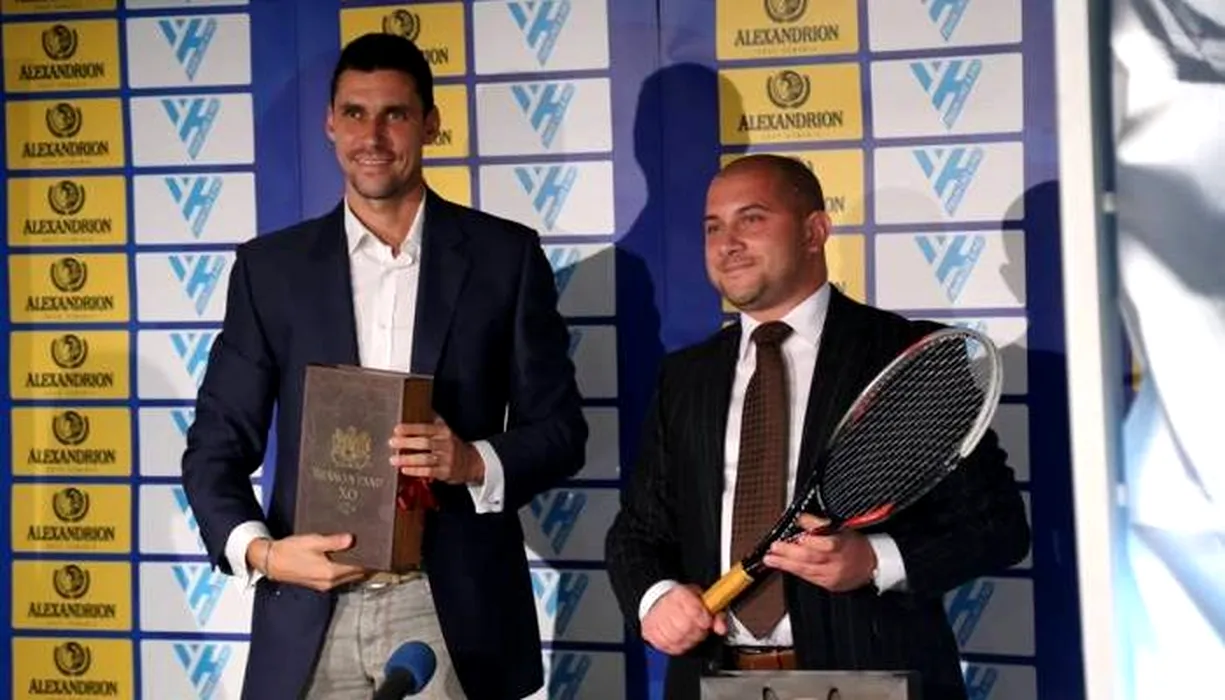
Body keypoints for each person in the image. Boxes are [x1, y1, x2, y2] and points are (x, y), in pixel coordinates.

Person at [181, 32, 587, 700]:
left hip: (449, 608)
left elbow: (562, 431)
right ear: (329, 124)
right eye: (354, 113)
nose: (372, 136)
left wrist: (472, 461)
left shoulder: (504, 258)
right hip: (308, 605)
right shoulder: (270, 270)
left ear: (430, 124)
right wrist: (266, 554)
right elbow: (213, 451)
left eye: (394, 114)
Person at [604, 154, 1030, 700]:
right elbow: (638, 532)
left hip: (870, 678)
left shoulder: (909, 355)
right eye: (713, 227)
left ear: (814, 231)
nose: (727, 243)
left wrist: (873, 560)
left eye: (751, 219)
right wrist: (656, 596)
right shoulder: (685, 377)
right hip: (714, 680)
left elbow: (996, 526)